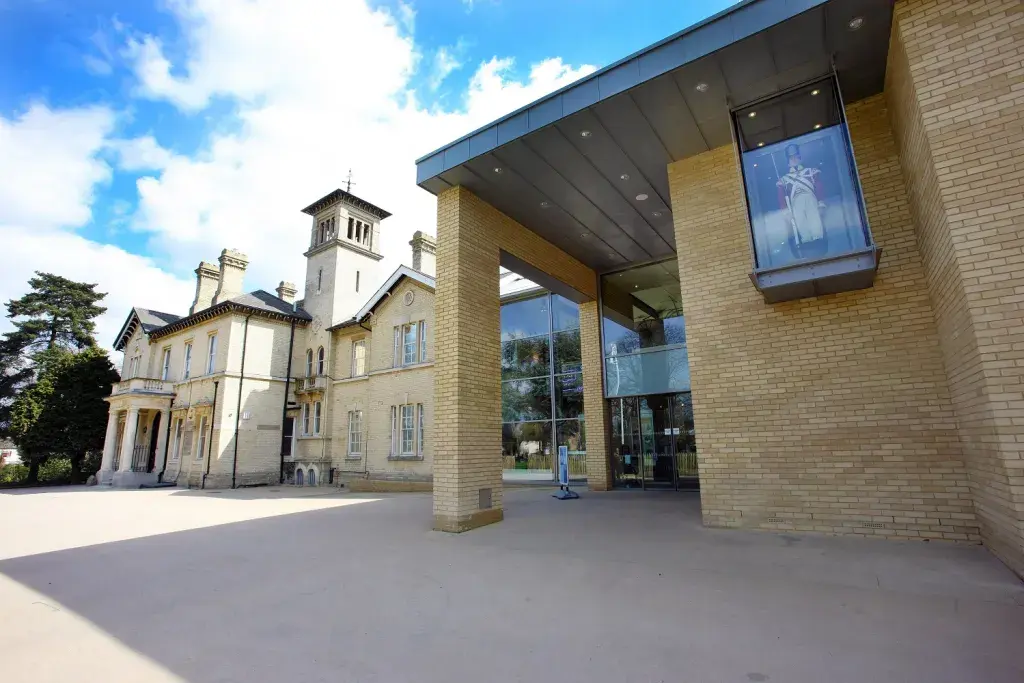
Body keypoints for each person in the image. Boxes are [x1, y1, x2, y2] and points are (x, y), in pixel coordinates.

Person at [776, 143, 827, 258]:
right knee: (801, 222)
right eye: (791, 157)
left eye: (795, 155)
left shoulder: (810, 171)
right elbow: (781, 197)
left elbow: (818, 187)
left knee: (814, 219)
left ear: (800, 156)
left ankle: (818, 240)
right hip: (796, 203)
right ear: (788, 160)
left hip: (810, 199)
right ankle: (807, 242)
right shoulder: (784, 179)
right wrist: (785, 211)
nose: (793, 158)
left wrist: (821, 203)